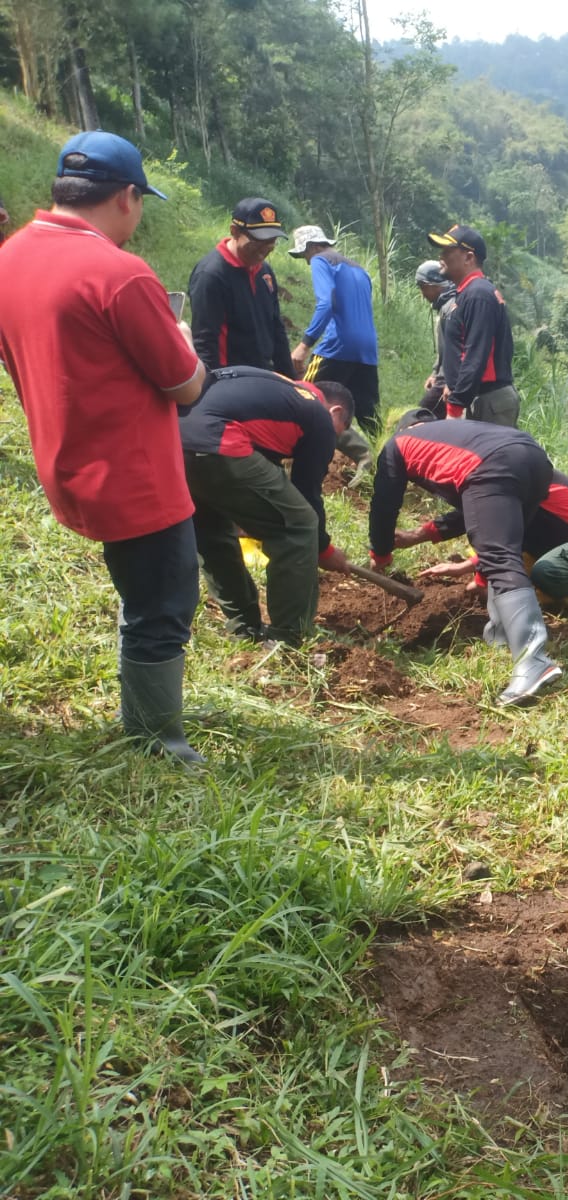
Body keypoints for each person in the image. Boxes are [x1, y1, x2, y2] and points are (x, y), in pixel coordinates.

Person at [0, 131, 207, 762]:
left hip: (67, 461)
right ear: (125, 197)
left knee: (139, 588)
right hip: (136, 477)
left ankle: (143, 712)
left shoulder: (9, 258)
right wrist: (182, 334)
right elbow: (185, 385)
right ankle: (154, 738)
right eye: (141, 203)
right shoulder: (119, 273)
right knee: (166, 599)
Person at [368, 410, 562, 704]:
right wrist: (426, 534)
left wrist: (380, 553)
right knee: (503, 550)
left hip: (494, 465)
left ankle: (533, 660)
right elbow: (478, 509)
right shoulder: (461, 436)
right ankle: (501, 635)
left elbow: (384, 504)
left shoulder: (399, 443)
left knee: (499, 556)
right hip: (533, 458)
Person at [180, 366, 355, 645]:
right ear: (335, 412)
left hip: (177, 444)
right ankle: (289, 637)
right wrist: (324, 548)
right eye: (339, 433)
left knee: (213, 535)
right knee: (298, 527)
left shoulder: (278, 388)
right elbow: (306, 495)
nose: (332, 442)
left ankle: (244, 628)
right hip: (222, 441)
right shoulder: (318, 414)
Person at [406, 457, 568, 622]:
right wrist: (465, 566)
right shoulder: (509, 483)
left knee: (545, 571)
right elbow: (481, 522)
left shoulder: (518, 484)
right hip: (563, 542)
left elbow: (504, 537)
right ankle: (556, 592)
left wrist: (474, 572)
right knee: (507, 565)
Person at [288, 225, 382, 437]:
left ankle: (294, 458)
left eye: (304, 254)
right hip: (367, 349)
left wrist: (304, 344)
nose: (305, 259)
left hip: (338, 345)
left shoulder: (320, 260)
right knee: (370, 417)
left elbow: (326, 304)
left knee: (304, 398)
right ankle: (382, 459)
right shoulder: (360, 270)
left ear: (311, 247)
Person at [425, 224, 519, 427]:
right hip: (479, 398)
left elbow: (475, 355)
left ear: (468, 258)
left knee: (489, 459)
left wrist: (456, 406)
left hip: (489, 402)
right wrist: (453, 385)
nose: (441, 256)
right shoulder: (468, 293)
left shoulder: (478, 295)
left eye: (448, 251)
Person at [188, 198, 293, 376]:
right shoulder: (211, 275)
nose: (265, 248)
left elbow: (277, 329)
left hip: (263, 374)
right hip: (231, 378)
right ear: (235, 231)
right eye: (258, 240)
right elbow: (205, 341)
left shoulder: (264, 272)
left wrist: (291, 379)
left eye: (272, 240)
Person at [415, 259, 458, 417]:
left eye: (423, 287)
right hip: (443, 379)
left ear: (435, 285)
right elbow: (442, 349)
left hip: (448, 382)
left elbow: (453, 350)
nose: (423, 294)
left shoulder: (451, 308)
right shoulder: (444, 308)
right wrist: (434, 373)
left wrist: (447, 382)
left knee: (420, 416)